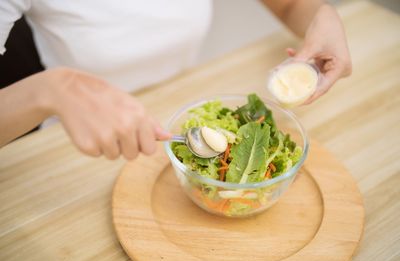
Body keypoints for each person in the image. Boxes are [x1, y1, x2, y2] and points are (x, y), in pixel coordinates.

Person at [0, 0, 351, 160]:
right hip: (72, 146)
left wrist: (322, 14)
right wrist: (48, 91)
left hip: (176, 107)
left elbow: (289, 5)